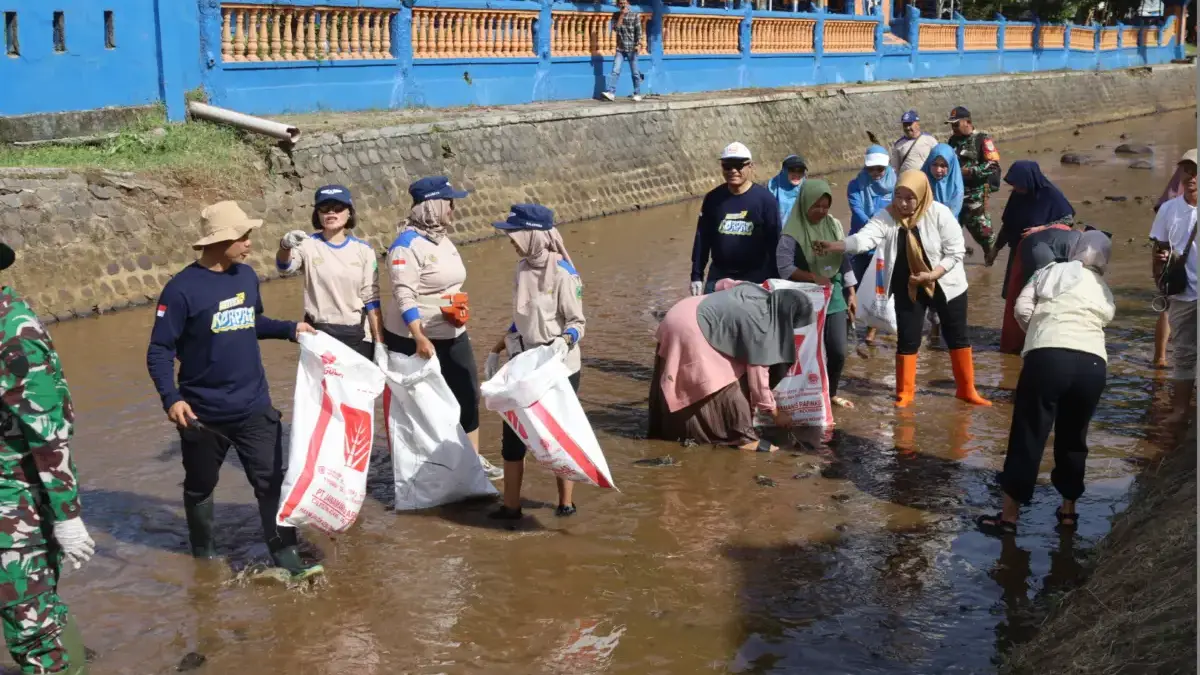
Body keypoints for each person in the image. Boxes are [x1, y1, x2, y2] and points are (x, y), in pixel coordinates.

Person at [146, 201, 323, 581]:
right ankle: (204, 556)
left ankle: (285, 554)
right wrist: (171, 397)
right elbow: (159, 349)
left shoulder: (245, 277)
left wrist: (290, 329)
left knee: (271, 482)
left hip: (254, 406)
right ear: (221, 240)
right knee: (199, 486)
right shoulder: (180, 290)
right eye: (243, 237)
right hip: (202, 415)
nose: (248, 243)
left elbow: (251, 322)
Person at [811, 171, 990, 408]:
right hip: (908, 284)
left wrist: (933, 274)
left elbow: (955, 251)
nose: (902, 203)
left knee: (957, 336)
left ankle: (967, 390)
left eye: (909, 198)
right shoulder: (887, 216)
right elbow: (865, 238)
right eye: (898, 196)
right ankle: (905, 393)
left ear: (923, 195)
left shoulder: (939, 214)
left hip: (946, 283)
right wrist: (837, 245)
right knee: (908, 337)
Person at [977, 232, 1114, 536]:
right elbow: (1105, 318)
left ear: (1074, 249)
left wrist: (1039, 334)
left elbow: (1021, 309)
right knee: (1074, 438)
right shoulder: (1103, 288)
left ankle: (1009, 519)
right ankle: (1068, 513)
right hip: (1093, 365)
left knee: (1028, 435)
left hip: (1048, 358)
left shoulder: (1048, 272)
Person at [0, 240, 93, 674]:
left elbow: (49, 433)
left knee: (32, 625)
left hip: (14, 509)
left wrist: (67, 515)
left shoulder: (13, 331)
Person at [382, 176, 503, 479]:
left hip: (452, 332)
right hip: (415, 340)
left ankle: (473, 462)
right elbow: (403, 294)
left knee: (467, 394)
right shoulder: (405, 246)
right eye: (450, 203)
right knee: (423, 405)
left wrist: (458, 307)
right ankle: (425, 470)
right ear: (435, 205)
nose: (454, 210)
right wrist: (419, 335)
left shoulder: (441, 238)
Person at [482, 205, 586, 520]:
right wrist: (498, 347)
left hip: (559, 367)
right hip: (524, 361)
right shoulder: (521, 269)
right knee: (512, 434)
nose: (511, 242)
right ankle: (510, 506)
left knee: (558, 435)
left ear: (532, 235)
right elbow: (522, 319)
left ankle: (565, 503)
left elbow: (578, 322)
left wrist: (563, 341)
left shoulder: (564, 273)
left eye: (515, 236)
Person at [648, 283, 812, 451]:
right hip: (692, 328)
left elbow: (722, 283)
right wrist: (775, 412)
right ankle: (743, 439)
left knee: (691, 375)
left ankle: (673, 430)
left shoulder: (758, 292)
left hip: (681, 311)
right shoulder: (764, 324)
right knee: (726, 385)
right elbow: (758, 380)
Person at [275, 185, 383, 362]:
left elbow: (372, 300)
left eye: (338, 208)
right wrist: (285, 246)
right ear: (317, 214)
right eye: (324, 208)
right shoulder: (306, 245)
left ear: (349, 212)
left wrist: (379, 343)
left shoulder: (364, 250)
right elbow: (284, 268)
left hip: (356, 334)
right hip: (318, 334)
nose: (331, 213)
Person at [776, 180, 857, 409]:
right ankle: (795, 395)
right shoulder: (791, 233)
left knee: (838, 350)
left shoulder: (832, 225)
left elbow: (844, 259)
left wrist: (851, 291)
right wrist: (813, 277)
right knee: (802, 351)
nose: (821, 211)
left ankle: (830, 393)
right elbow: (784, 267)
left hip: (834, 295)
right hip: (804, 298)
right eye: (816, 206)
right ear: (804, 204)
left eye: (825, 206)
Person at [987, 161, 1077, 354]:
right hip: (1018, 252)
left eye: (1019, 184)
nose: (1016, 188)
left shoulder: (1050, 194)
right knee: (1014, 294)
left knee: (1039, 296)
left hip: (1044, 255)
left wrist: (1041, 228)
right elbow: (1008, 226)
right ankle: (1016, 341)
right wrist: (995, 250)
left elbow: (1067, 219)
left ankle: (1039, 339)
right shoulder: (1017, 198)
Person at [690, 142, 781, 295]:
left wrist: (776, 280)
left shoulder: (766, 200)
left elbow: (775, 242)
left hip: (755, 276)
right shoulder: (713, 199)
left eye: (739, 166)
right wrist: (696, 275)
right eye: (727, 166)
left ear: (750, 166)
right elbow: (702, 239)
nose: (733, 171)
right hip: (719, 275)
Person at [1150, 157, 1198, 429]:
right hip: (1182, 294)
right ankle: (1180, 409)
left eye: (1196, 173)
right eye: (1187, 172)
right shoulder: (1169, 210)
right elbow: (1158, 248)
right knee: (1184, 354)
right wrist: (1159, 278)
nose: (1191, 178)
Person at [847, 145, 896, 346]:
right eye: (871, 169)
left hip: (884, 245)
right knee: (852, 286)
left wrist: (884, 233)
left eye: (880, 169)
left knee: (879, 289)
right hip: (861, 242)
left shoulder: (896, 184)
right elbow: (857, 209)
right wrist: (873, 229)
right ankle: (850, 328)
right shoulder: (855, 185)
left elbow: (898, 209)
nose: (875, 173)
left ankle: (870, 333)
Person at [946, 106, 1002, 258]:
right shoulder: (953, 141)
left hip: (975, 194)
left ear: (968, 122)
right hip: (956, 193)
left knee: (982, 232)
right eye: (952, 125)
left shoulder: (982, 139)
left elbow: (993, 165)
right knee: (951, 230)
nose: (954, 128)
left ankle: (990, 260)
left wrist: (969, 171)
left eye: (956, 124)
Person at [600, 0, 644, 103]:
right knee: (615, 70)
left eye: (624, 2)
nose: (623, 5)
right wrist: (621, 15)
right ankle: (611, 92)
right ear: (618, 5)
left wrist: (638, 44)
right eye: (620, 3)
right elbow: (615, 28)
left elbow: (639, 31)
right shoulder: (616, 15)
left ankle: (637, 93)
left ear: (628, 3)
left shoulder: (635, 15)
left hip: (632, 48)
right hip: (620, 48)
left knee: (635, 73)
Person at [767, 154, 808, 223]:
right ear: (784, 171)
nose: (796, 174)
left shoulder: (807, 189)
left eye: (800, 170)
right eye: (792, 170)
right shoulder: (772, 188)